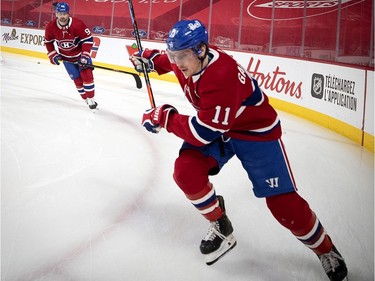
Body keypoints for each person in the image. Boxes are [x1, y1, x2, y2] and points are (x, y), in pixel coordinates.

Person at [130, 19, 348, 281]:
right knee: (185, 172)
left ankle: (326, 249)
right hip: (221, 127)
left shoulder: (221, 75)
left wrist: (164, 117)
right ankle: (220, 223)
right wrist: (151, 60)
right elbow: (172, 64)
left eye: (182, 56)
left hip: (255, 132)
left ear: (201, 50)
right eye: (173, 55)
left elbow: (203, 133)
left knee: (283, 205)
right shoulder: (191, 59)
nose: (177, 63)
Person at [44, 2, 97, 110]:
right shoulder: (50, 27)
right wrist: (53, 55)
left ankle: (91, 99)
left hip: (80, 57)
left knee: (87, 77)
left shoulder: (77, 24)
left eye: (64, 13)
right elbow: (48, 42)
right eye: (60, 13)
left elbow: (88, 40)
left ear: (68, 13)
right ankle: (85, 99)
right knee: (77, 80)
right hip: (66, 59)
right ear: (56, 14)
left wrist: (85, 55)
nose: (62, 16)